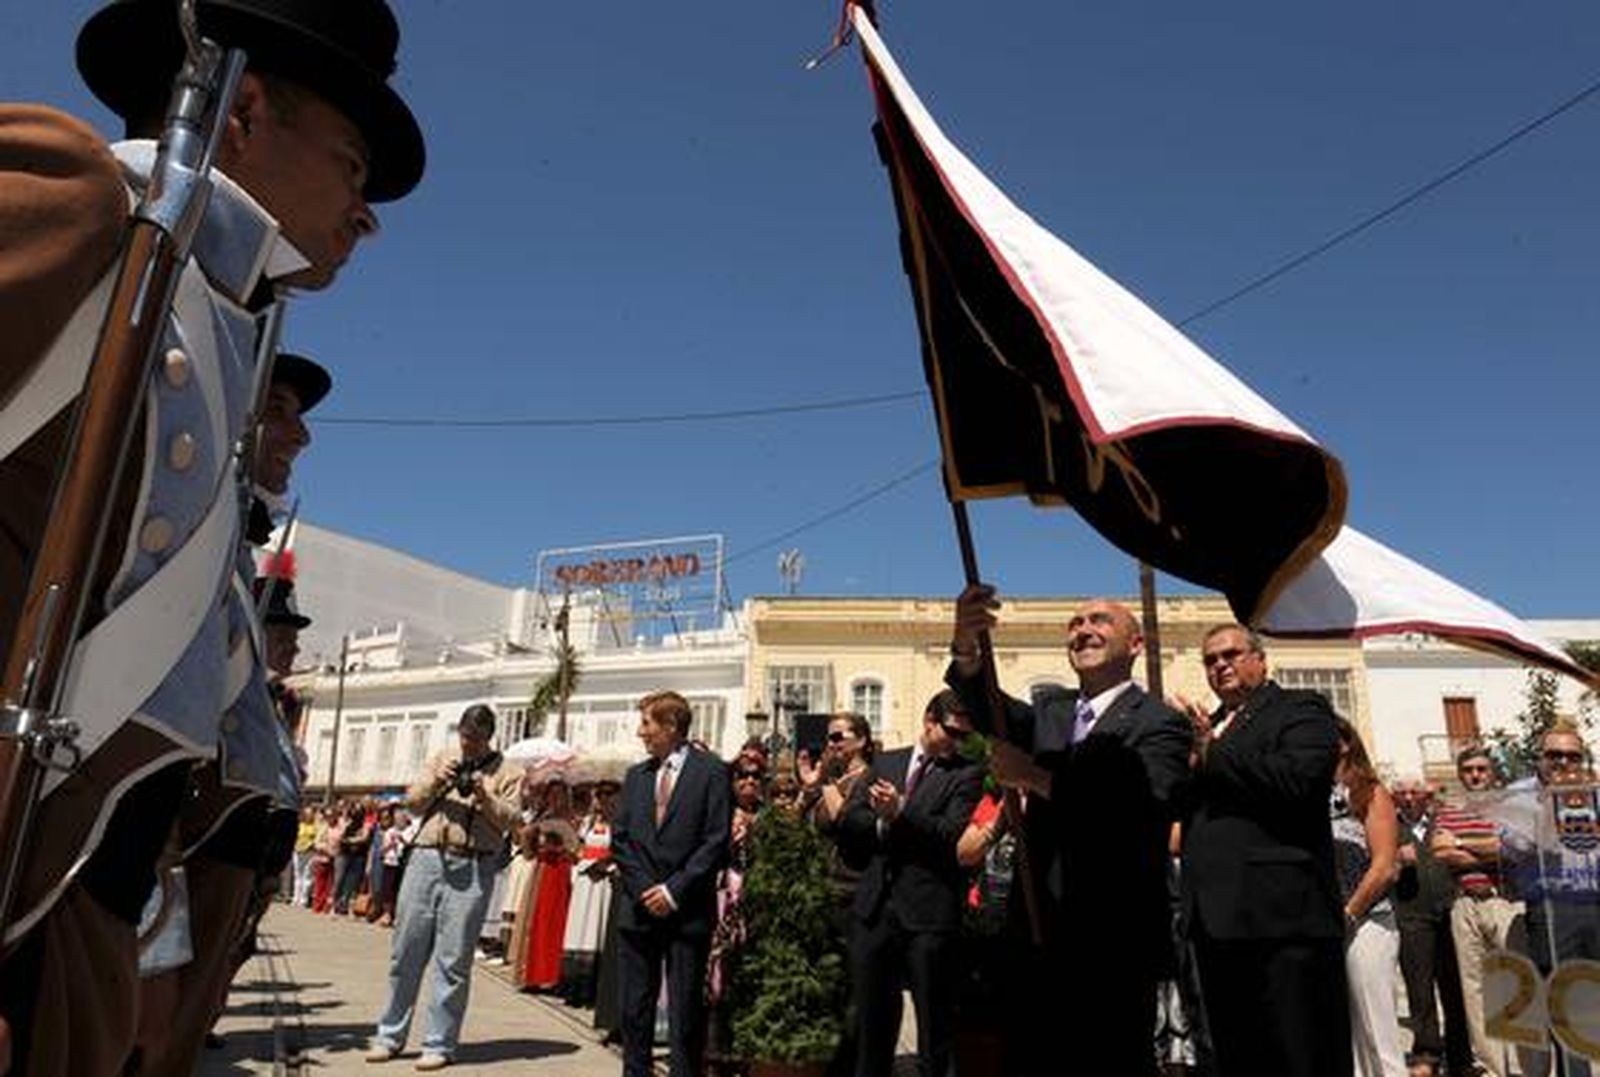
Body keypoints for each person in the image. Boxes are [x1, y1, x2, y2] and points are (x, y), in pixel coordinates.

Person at [0, 1, 423, 1068]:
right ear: (242, 109)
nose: (365, 216)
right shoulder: (85, 204)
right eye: (353, 165)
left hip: (79, 903)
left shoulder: (208, 305)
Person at [949, 587, 1193, 1076]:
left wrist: (1036, 778)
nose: (1083, 630)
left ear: (1136, 644)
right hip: (1037, 930)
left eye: (1099, 620)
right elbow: (987, 706)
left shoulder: (1161, 723)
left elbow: (1141, 808)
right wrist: (966, 643)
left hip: (1113, 942)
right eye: (1075, 623)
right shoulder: (1051, 712)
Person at [1180, 623, 1350, 1077]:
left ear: (1260, 659)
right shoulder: (1206, 728)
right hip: (1215, 922)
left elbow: (1299, 780)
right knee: (1240, 1056)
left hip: (1281, 918)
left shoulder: (1301, 709)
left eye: (1231, 654)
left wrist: (1212, 753)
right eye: (1210, 660)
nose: (1220, 665)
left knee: (1299, 1054)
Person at [834, 689, 983, 1077]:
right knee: (870, 1027)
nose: (959, 742)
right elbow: (850, 822)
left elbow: (950, 835)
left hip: (929, 916)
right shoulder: (887, 762)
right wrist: (882, 823)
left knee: (935, 1029)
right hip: (874, 911)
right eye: (953, 732)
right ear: (929, 721)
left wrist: (900, 812)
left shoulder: (966, 773)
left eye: (966, 735)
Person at [367, 704, 522, 1070]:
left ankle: (439, 1043)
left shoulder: (510, 772)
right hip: (426, 857)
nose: (468, 744)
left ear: (489, 737)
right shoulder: (442, 758)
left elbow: (512, 820)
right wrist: (438, 780)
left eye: (476, 739)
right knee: (405, 951)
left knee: (453, 960)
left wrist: (485, 797)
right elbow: (412, 802)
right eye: (465, 736)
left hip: (473, 864)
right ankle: (389, 1036)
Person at [611, 690, 732, 1077]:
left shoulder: (711, 772)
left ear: (671, 725)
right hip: (639, 910)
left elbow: (715, 840)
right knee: (634, 1009)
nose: (640, 732)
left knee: (685, 1014)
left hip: (687, 912)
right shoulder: (636, 776)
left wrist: (672, 890)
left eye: (647, 723)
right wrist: (646, 889)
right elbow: (621, 840)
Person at [1431, 745, 1524, 1077]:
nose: (1475, 775)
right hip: (1463, 904)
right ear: (1460, 774)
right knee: (1475, 990)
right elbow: (1440, 852)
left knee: (1515, 985)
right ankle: (1492, 1068)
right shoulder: (1448, 810)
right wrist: (1484, 848)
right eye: (1469, 770)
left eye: (1481, 769)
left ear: (1492, 772)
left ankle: (1524, 1067)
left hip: (1503, 902)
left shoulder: (1510, 807)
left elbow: (1508, 848)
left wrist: (1459, 843)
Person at [1330, 718, 1405, 1077]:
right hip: (1327, 926)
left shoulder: (1370, 792)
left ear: (1345, 743)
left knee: (1377, 1031)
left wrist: (1350, 912)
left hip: (1368, 922)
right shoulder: (1310, 791)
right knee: (1347, 1036)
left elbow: (1384, 866)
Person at [1392, 777, 1470, 1077]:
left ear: (1426, 795)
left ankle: (1461, 1056)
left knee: (1455, 988)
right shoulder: (1390, 826)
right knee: (1419, 988)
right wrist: (1397, 858)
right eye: (1402, 793)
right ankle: (1427, 1052)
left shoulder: (1443, 822)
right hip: (1411, 915)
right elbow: (1376, 861)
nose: (1409, 798)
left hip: (1449, 913)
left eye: (1414, 792)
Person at [560, 781, 619, 1007]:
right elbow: (580, 847)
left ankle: (592, 991)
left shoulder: (619, 824)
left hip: (603, 881)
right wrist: (576, 854)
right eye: (599, 795)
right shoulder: (588, 822)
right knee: (578, 930)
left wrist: (606, 863)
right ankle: (573, 988)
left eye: (607, 795)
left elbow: (619, 849)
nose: (602, 799)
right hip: (585, 879)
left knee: (596, 929)